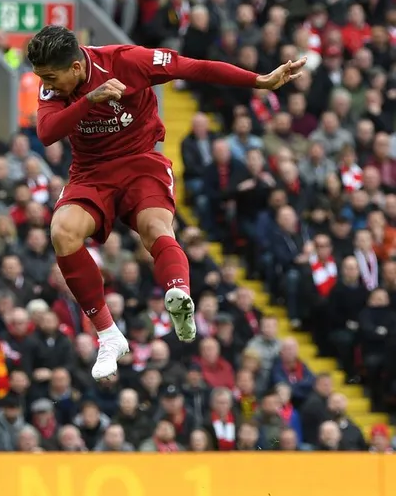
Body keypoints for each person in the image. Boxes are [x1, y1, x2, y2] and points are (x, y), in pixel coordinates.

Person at [25, 25, 305, 381]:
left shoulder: (128, 61)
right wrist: (90, 100)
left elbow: (195, 68)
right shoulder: (53, 83)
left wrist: (259, 81)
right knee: (62, 232)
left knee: (155, 228)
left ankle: (179, 295)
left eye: (50, 77)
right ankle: (109, 335)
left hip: (141, 162)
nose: (46, 83)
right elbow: (47, 132)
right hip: (91, 172)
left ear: (76, 67)